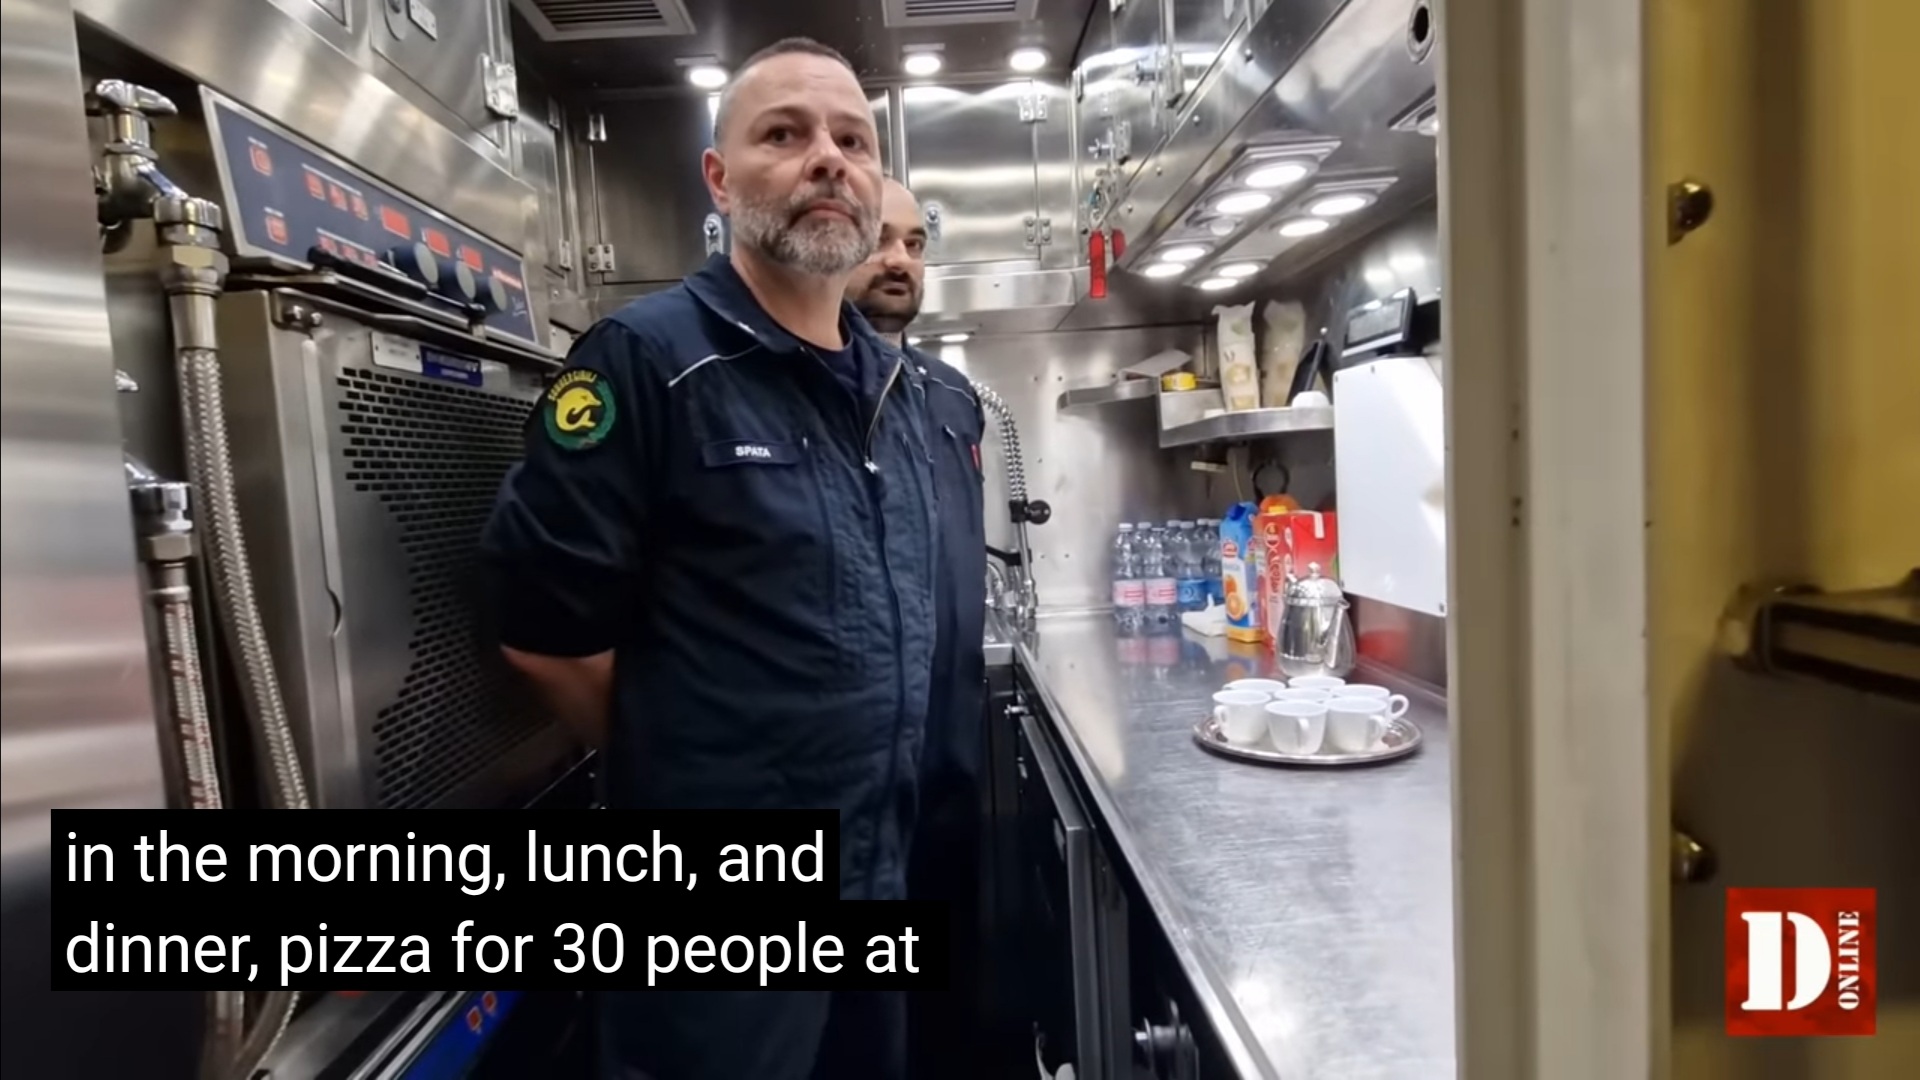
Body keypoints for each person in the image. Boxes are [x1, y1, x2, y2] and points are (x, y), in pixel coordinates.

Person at [478, 37, 937, 1080]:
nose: (828, 158)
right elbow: (544, 633)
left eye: (853, 139)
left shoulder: (889, 386)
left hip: (875, 867)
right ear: (720, 181)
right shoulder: (647, 361)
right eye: (785, 134)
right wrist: (694, 770)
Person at [844, 178, 989, 1080]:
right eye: (877, 240)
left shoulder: (952, 396)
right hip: (846, 793)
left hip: (948, 763)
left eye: (915, 243)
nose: (899, 260)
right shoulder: (801, 386)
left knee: (945, 1010)